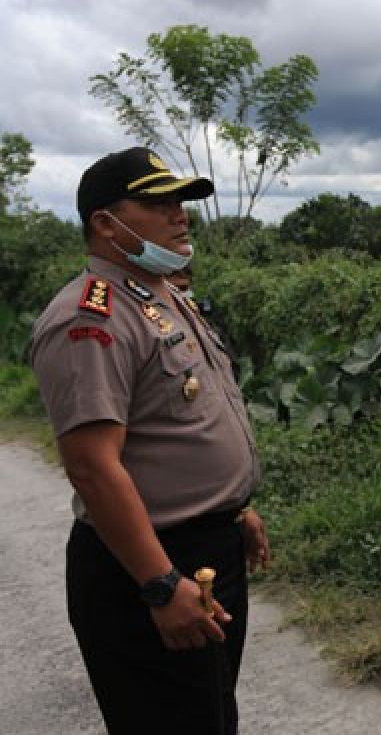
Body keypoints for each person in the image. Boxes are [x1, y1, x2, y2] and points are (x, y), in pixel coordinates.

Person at [29, 146, 270, 735]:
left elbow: (184, 423)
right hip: (150, 565)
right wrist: (159, 585)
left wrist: (236, 509)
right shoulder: (93, 318)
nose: (179, 213)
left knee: (211, 714)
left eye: (180, 200)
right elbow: (91, 467)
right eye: (157, 202)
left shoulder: (165, 295)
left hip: (209, 550)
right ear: (105, 224)